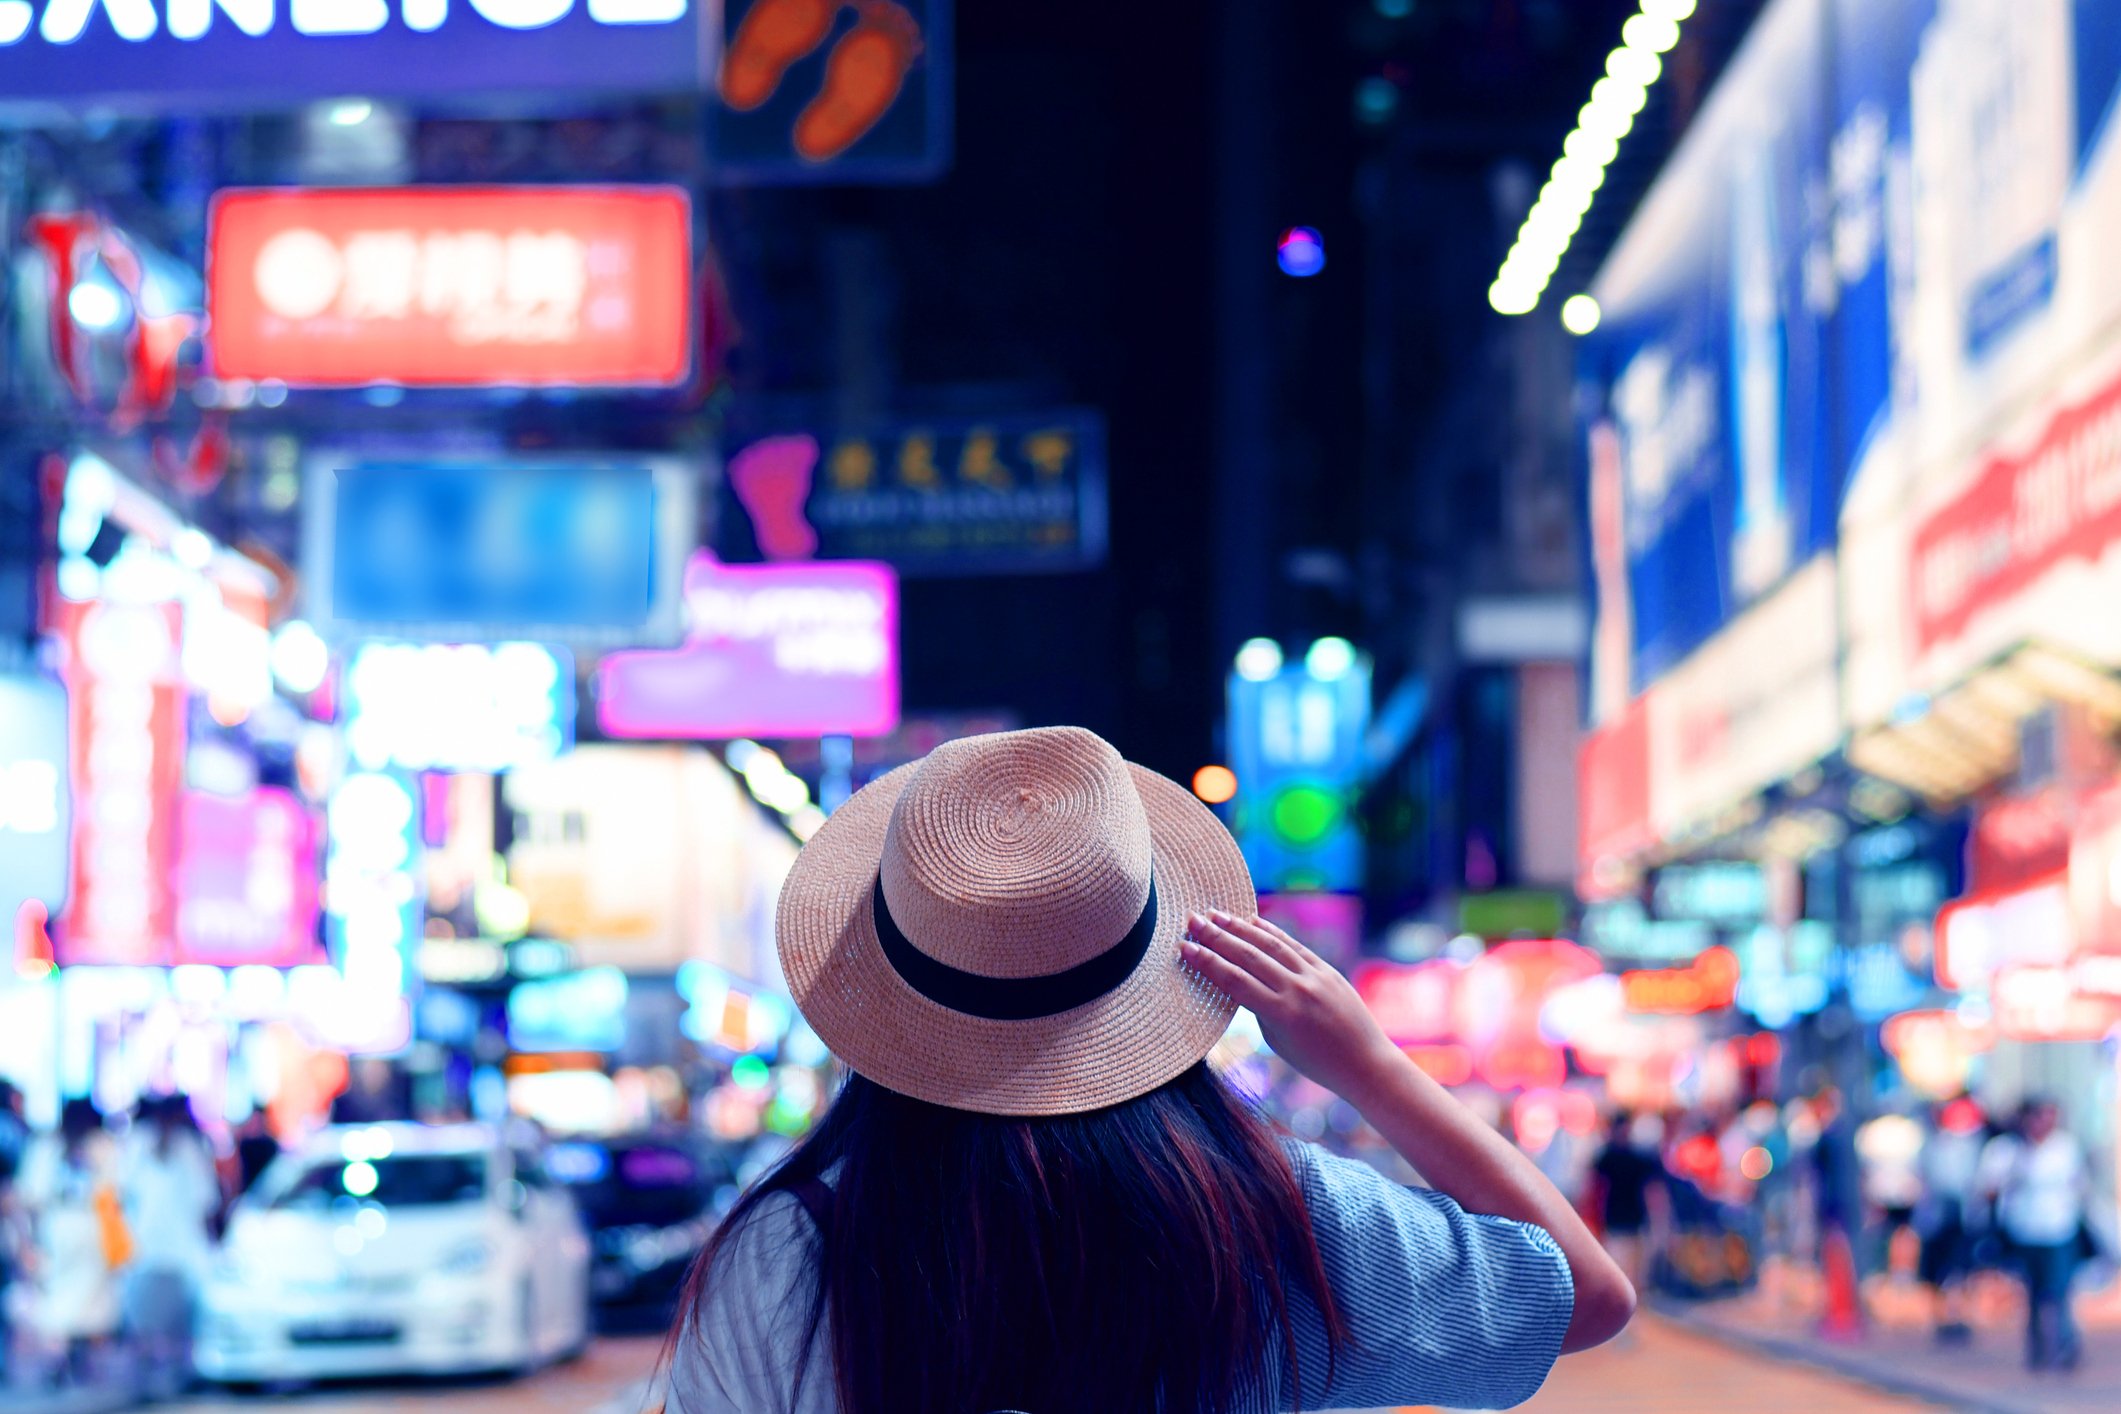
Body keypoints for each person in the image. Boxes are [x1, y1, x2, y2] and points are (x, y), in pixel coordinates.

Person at [664, 726, 1633, 1413]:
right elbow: (1585, 1298)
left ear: (890, 993)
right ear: (1151, 970)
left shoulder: (783, 1257)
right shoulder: (1270, 1218)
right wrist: (1370, 1066)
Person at [13, 1099, 124, 1386]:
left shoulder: (46, 1148)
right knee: (88, 1300)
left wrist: (29, 1240)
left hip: (58, 1230)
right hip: (90, 1231)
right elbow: (116, 1193)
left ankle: (60, 1358)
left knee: (58, 1298)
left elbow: (29, 1199)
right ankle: (79, 1361)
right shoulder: (103, 1147)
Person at [122, 1094, 221, 1398]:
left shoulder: (186, 1148)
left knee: (171, 1319)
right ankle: (151, 1375)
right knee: (149, 1320)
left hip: (172, 1252)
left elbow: (205, 1202)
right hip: (151, 1251)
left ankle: (173, 1371)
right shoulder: (141, 1145)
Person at [1980, 1097, 2089, 1371]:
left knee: (2060, 1291)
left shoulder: (2066, 1148)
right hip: (2024, 1230)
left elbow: (2080, 1186)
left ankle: (2065, 1345)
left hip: (2059, 1229)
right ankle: (2038, 1349)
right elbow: (1989, 1189)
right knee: (2032, 1292)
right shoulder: (2009, 1150)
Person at [1914, 1096, 1984, 1345]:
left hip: (1962, 1218)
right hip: (1937, 1218)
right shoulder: (1931, 1145)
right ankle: (1942, 1316)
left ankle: (1961, 1316)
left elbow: (1976, 1181)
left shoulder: (1969, 1145)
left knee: (1962, 1271)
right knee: (1937, 1271)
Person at [1588, 1112, 1664, 1301]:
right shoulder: (1608, 1156)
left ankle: (1629, 1308)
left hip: (1631, 1218)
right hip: (1617, 1219)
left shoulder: (1628, 1156)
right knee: (1622, 1266)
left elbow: (1649, 1190)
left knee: (1631, 1268)